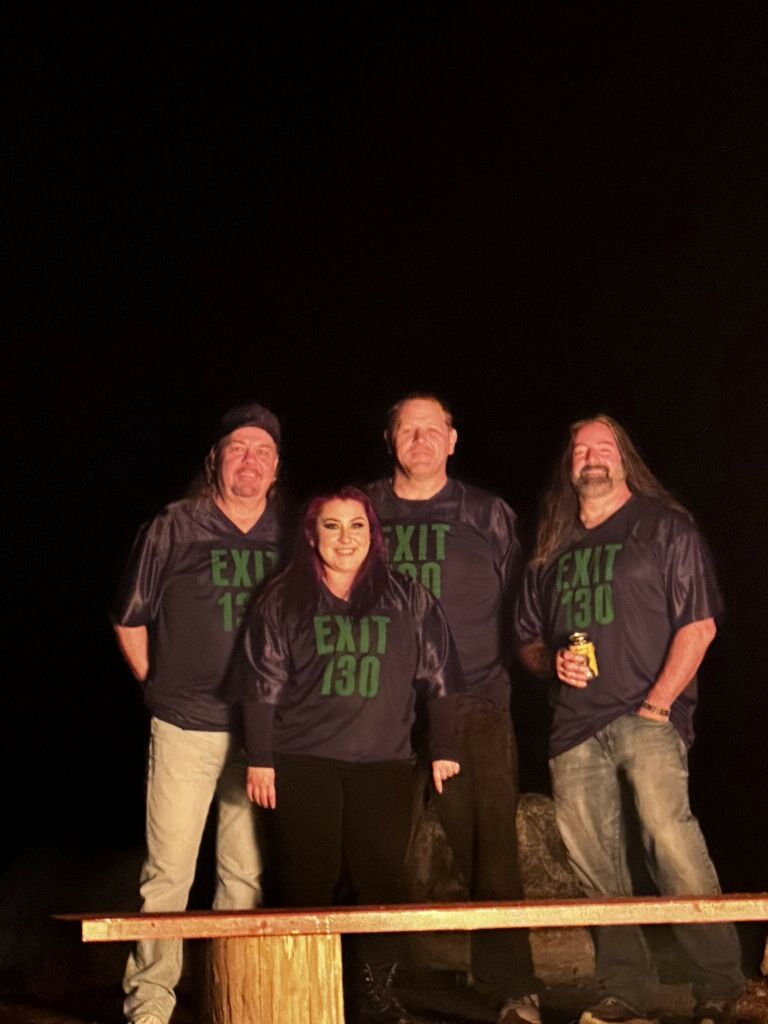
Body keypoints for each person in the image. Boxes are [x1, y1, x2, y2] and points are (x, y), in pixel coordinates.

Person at [515, 415, 745, 1024]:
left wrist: (658, 704)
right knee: (593, 862)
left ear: (624, 459)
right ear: (569, 465)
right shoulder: (550, 545)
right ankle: (625, 990)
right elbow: (527, 640)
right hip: (573, 728)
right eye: (580, 448)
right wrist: (551, 661)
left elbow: (700, 624)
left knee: (669, 839)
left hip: (648, 713)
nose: (591, 456)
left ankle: (720, 983)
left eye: (604, 446)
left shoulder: (664, 527)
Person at [235, 486, 462, 1024]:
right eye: (332, 526)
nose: (345, 538)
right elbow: (261, 681)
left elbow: (441, 676)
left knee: (381, 880)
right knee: (306, 879)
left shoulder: (407, 596)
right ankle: (301, 998)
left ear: (373, 534)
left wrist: (444, 746)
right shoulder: (283, 597)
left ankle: (375, 997)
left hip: (383, 762)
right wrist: (260, 756)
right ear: (312, 535)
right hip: (302, 759)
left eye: (357, 526)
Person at [367, 394, 538, 1024]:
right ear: (389, 439)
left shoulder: (486, 513)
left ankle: (511, 986)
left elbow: (524, 601)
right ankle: (369, 988)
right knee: (372, 851)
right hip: (380, 704)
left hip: (473, 702)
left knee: (491, 848)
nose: (420, 439)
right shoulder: (362, 510)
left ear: (452, 439)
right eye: (407, 429)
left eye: (431, 429)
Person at [113, 402, 282, 1024]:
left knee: (244, 878)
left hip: (260, 736)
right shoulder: (176, 524)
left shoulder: (292, 533)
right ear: (215, 460)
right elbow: (129, 617)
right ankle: (150, 1006)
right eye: (238, 448)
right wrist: (158, 688)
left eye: (262, 451)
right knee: (168, 876)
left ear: (276, 467)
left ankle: (233, 1002)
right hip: (185, 727)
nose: (249, 460)